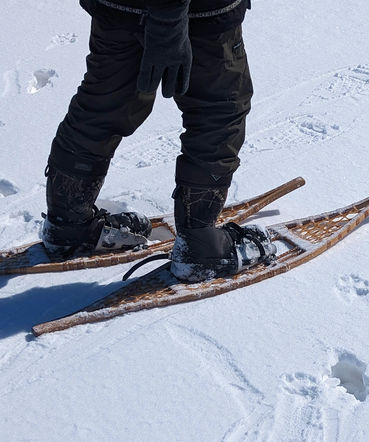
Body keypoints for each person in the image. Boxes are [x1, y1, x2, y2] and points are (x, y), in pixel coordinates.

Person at [42, 0, 275, 281]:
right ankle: (200, 247)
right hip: (197, 12)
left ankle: (68, 223)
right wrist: (168, 21)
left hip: (118, 6)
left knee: (105, 102)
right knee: (218, 108)